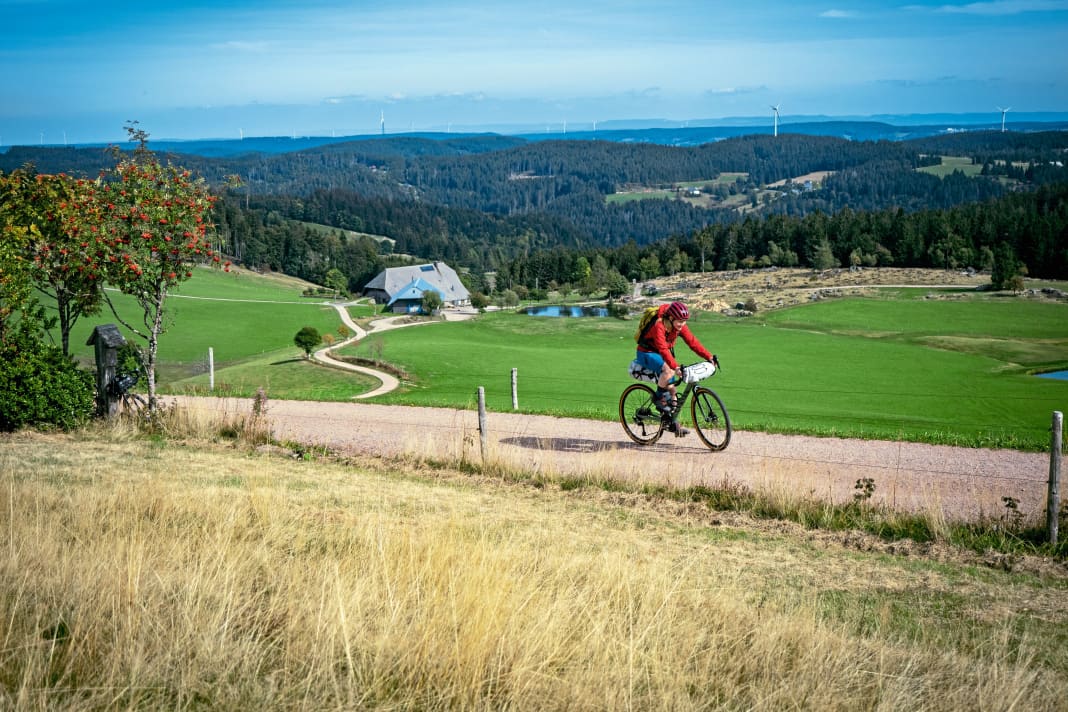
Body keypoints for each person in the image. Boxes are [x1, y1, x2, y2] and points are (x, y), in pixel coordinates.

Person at [634, 301, 714, 436]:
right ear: (670, 318)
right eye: (679, 321)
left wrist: (709, 357)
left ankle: (672, 423)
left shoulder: (680, 326)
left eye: (684, 321)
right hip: (646, 353)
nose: (682, 324)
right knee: (668, 370)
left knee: (673, 391)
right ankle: (658, 399)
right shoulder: (659, 325)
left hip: (661, 354)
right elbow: (663, 350)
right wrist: (675, 367)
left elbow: (692, 342)